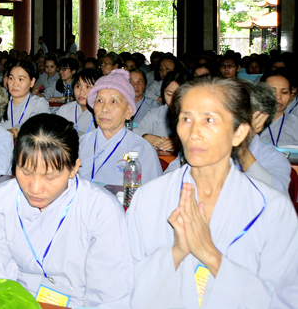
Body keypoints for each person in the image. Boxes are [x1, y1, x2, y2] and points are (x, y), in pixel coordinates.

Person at [127, 77, 298, 309]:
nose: (194, 132)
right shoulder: (150, 197)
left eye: (209, 120)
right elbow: (125, 285)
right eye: (186, 119)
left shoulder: (273, 208)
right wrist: (175, 253)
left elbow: (284, 299)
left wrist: (210, 255)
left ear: (239, 133)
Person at [0, 114, 133, 308]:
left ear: (74, 168)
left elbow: (109, 298)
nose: (35, 188)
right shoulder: (1, 199)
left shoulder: (100, 209)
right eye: (25, 172)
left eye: (49, 177)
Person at [77, 68, 161, 186]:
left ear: (129, 111)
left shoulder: (142, 149)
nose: (104, 109)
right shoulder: (80, 144)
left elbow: (152, 193)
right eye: (100, 100)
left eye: (114, 102)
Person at [135, 71, 191, 152]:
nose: (173, 100)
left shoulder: (198, 115)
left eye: (178, 96)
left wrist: (181, 142)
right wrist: (145, 137)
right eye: (169, 94)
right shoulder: (156, 113)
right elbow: (134, 134)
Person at [2, 61, 49, 138]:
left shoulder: (40, 104)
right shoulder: (0, 102)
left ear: (32, 82)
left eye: (20, 79)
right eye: (11, 78)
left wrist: (13, 132)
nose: (15, 83)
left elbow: (33, 126)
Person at [55, 69, 101, 136]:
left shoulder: (102, 112)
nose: (81, 91)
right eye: (78, 86)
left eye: (88, 87)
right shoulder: (64, 110)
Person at [260, 70, 298, 147]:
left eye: (284, 92)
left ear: (291, 95)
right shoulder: (249, 123)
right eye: (272, 91)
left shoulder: (295, 124)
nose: (278, 97)